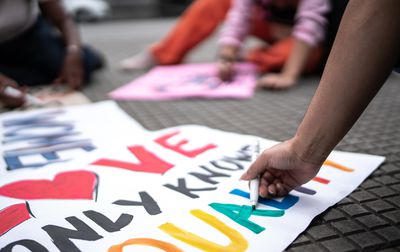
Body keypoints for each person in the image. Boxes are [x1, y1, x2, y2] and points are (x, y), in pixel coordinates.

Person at [240, 0, 400, 197]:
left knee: (276, 54)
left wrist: (290, 74)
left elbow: (371, 11)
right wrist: (303, 151)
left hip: (319, 41)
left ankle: (266, 55)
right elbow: (377, 10)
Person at [120, 0, 331, 90]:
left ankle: (254, 56)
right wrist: (226, 56)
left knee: (296, 58)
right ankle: (163, 54)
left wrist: (289, 76)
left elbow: (310, 27)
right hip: (272, 28)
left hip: (308, 41)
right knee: (214, 2)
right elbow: (238, 18)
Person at [0, 0, 104, 108]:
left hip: (29, 35)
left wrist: (74, 51)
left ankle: (86, 54)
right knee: (10, 83)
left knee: (78, 67)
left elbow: (63, 18)